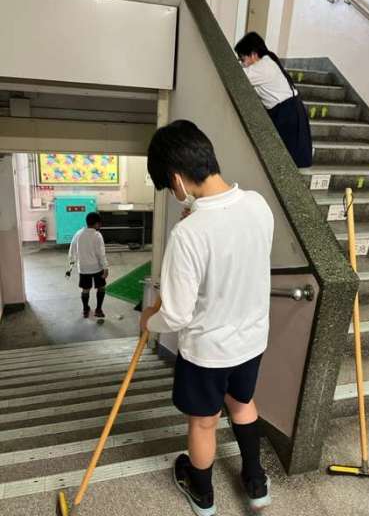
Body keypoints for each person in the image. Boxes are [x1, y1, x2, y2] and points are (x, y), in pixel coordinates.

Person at [140, 120, 274, 516]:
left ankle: (202, 494)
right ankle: (256, 482)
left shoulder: (189, 234)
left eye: (168, 186)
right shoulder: (258, 204)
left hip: (208, 352)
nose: (172, 193)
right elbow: (237, 257)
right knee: (243, 404)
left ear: (176, 179)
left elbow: (176, 315)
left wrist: (149, 321)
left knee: (203, 422)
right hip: (252, 340)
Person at [235, 31, 313, 168]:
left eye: (242, 59)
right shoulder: (267, 63)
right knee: (287, 157)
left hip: (288, 113)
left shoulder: (264, 67)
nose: (243, 64)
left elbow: (237, 76)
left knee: (290, 159)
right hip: (287, 111)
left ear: (253, 54)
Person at [68, 212, 109, 319]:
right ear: (96, 224)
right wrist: (105, 268)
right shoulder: (97, 235)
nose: (100, 225)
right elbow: (101, 254)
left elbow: (72, 250)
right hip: (96, 268)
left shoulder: (78, 233)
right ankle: (98, 310)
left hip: (83, 268)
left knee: (85, 289)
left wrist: (71, 263)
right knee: (101, 288)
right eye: (99, 223)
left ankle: (85, 310)